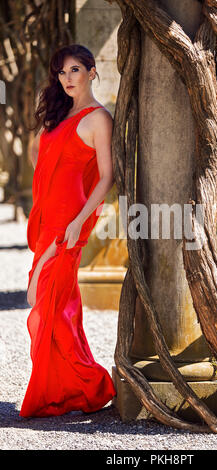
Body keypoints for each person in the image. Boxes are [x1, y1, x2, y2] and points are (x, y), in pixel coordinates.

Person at [20, 44, 117, 418]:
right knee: (54, 305)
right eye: (61, 73)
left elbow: (106, 177)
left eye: (75, 70)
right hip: (48, 217)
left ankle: (86, 384)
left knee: (47, 305)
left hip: (69, 222)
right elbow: (38, 154)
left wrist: (78, 221)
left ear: (92, 72)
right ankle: (70, 389)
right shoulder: (58, 115)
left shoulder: (98, 119)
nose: (67, 79)